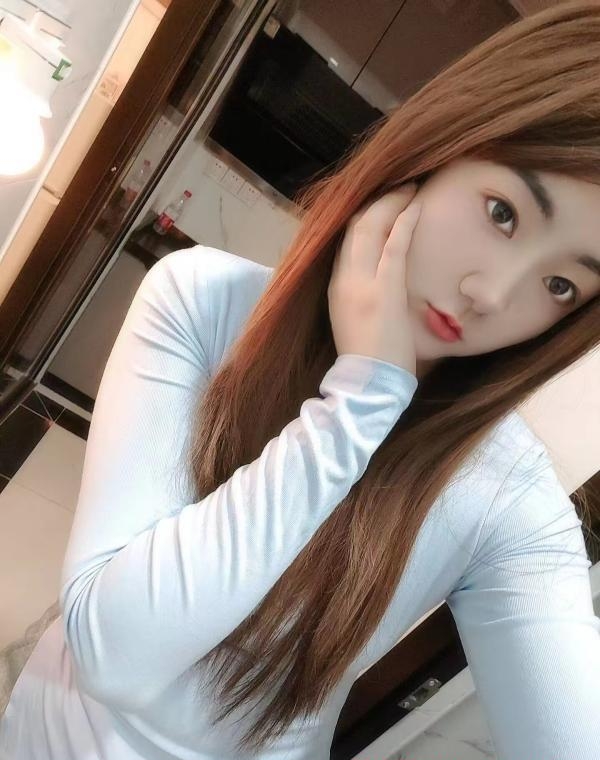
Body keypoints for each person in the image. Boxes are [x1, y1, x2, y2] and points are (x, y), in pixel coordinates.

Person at [2, 1, 600, 758]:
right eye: (503, 213)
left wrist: (369, 394)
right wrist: (362, 399)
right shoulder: (202, 299)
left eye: (560, 286)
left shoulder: (506, 499)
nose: (491, 293)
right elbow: (112, 653)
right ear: (438, 149)